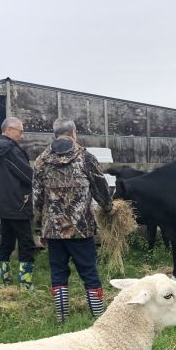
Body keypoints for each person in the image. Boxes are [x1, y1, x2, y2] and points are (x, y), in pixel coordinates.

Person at [33, 118, 113, 322]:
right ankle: (98, 316)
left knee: (58, 273)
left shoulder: (41, 161)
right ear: (74, 132)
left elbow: (37, 198)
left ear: (54, 134)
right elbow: (101, 190)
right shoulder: (86, 158)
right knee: (89, 271)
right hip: (81, 228)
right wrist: (108, 208)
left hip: (53, 229)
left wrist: (42, 225)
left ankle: (61, 317)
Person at [0, 117, 35, 290]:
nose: (22, 135)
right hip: (18, 203)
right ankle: (26, 284)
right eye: (20, 131)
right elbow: (27, 176)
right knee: (26, 244)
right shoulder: (11, 150)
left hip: (0, 205)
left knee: (7, 242)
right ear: (9, 130)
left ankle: (6, 281)